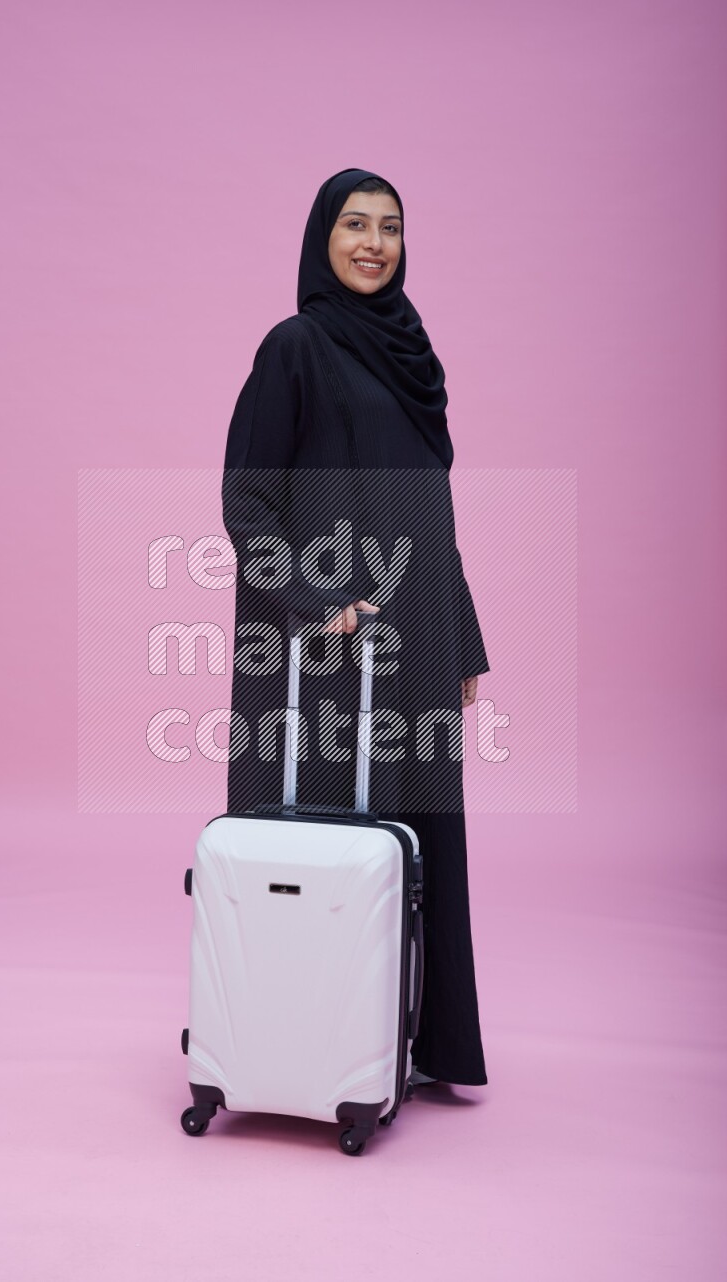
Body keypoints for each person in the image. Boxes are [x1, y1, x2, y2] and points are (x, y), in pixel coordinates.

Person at [221, 168, 490, 1088]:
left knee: (414, 844)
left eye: (390, 227)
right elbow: (247, 502)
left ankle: (411, 1046)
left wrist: (463, 635)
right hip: (327, 646)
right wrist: (312, 599)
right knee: (328, 841)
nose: (374, 244)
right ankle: (300, 1056)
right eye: (355, 225)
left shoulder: (412, 353)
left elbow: (433, 513)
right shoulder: (295, 347)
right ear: (321, 238)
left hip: (417, 634)